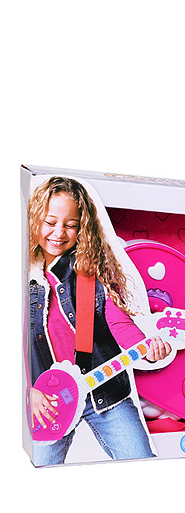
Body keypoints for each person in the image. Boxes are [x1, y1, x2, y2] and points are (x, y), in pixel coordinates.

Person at [27, 176, 171, 465]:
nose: (59, 232)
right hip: (47, 402)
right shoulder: (21, 276)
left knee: (141, 462)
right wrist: (26, 392)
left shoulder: (91, 271)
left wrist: (149, 348)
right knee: (38, 471)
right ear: (33, 221)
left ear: (83, 228)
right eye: (50, 222)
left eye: (70, 225)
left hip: (105, 391)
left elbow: (118, 323)